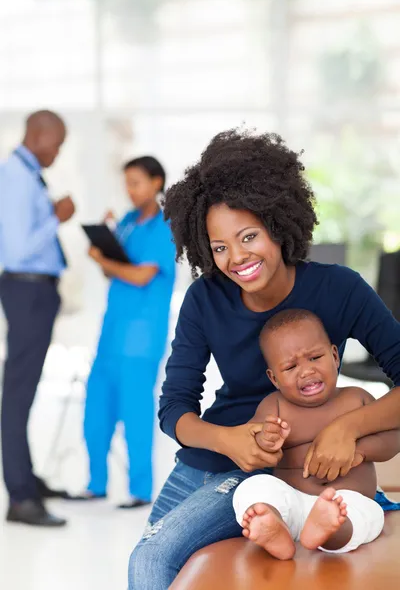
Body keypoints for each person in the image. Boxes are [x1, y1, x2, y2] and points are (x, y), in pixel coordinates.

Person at [128, 129, 400, 590]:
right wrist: (230, 440)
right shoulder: (205, 299)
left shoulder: (340, 289)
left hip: (281, 470)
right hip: (217, 454)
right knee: (150, 563)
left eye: (248, 236)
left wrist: (345, 428)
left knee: (153, 559)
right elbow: (174, 407)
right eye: (219, 247)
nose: (236, 258)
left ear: (277, 223)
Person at [233, 308, 400, 559]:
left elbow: (393, 440)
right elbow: (254, 444)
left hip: (346, 504)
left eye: (314, 358)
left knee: (370, 516)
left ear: (334, 356)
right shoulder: (274, 406)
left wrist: (361, 451)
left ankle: (330, 532)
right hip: (292, 504)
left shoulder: (357, 399)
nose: (306, 371)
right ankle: (271, 523)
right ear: (274, 378)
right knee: (253, 487)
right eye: (290, 367)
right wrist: (267, 440)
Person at [80, 156, 175, 508]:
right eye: (127, 183)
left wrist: (102, 259)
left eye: (136, 182)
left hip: (142, 337)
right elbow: (114, 272)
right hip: (112, 332)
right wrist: (106, 244)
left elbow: (140, 275)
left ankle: (139, 490)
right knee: (96, 408)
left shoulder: (164, 226)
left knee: (135, 412)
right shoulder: (127, 221)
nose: (130, 190)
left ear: (156, 182)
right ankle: (96, 483)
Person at [0, 110, 75, 527]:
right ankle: (21, 498)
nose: (58, 152)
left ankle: (25, 479)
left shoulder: (24, 175)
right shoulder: (14, 176)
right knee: (18, 393)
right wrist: (55, 219)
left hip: (35, 291)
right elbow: (16, 248)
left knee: (23, 389)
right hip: (26, 287)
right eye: (56, 143)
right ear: (37, 135)